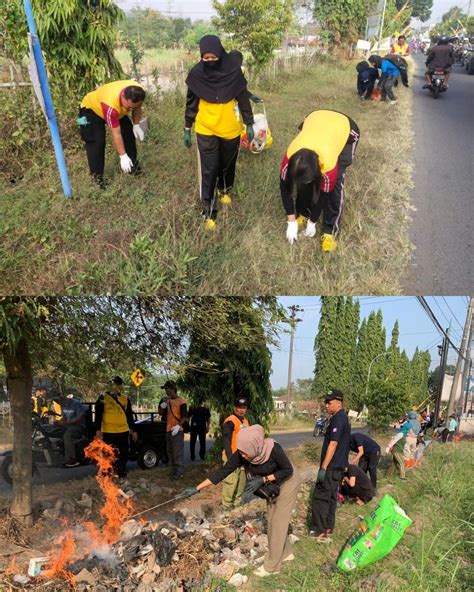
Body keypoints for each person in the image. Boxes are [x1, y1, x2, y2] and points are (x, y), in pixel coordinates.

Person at [182, 425, 301, 577]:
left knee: (278, 522)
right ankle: (286, 553)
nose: (243, 455)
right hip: (273, 486)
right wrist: (197, 488)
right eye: (241, 451)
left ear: (255, 446)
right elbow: (222, 472)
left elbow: (287, 470)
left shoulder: (273, 449)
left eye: (245, 452)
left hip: (287, 483)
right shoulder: (242, 453)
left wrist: (264, 479)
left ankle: (272, 567)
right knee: (272, 520)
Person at [183, 35, 255, 226]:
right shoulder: (197, 75)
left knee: (227, 164)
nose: (210, 62)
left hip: (230, 129)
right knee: (210, 168)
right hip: (206, 128)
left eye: (213, 58)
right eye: (205, 59)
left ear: (220, 54)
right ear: (201, 57)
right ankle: (208, 210)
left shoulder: (233, 71)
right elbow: (191, 104)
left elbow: (243, 99)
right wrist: (187, 127)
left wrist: (249, 123)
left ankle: (225, 190)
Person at [280, 110, 360, 252]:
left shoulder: (328, 164)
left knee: (335, 186)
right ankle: (303, 213)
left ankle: (329, 231)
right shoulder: (290, 157)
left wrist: (313, 221)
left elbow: (325, 195)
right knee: (304, 180)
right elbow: (285, 188)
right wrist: (291, 221)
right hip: (315, 117)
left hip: (345, 128)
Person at [79, 81, 146, 188]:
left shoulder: (138, 91)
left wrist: (136, 124)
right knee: (97, 141)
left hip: (116, 107)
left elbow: (137, 107)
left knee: (128, 133)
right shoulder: (110, 106)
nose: (130, 110)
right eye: (129, 107)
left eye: (133, 108)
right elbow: (116, 133)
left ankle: (132, 168)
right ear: (123, 96)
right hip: (91, 109)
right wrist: (122, 156)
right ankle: (97, 180)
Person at [310, 389, 351, 542]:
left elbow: (333, 444)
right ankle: (328, 526)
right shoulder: (342, 418)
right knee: (332, 496)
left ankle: (318, 530)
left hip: (331, 467)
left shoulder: (338, 419)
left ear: (339, 403)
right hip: (338, 467)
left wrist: (323, 468)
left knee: (320, 497)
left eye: (329, 402)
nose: (326, 405)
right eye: (325, 402)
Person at [95, 376, 138, 479]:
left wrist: (134, 430)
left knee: (123, 454)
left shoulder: (125, 398)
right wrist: (98, 430)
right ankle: (107, 475)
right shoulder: (103, 398)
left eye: (119, 384)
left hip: (123, 431)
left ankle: (121, 473)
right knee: (108, 454)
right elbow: (98, 416)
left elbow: (129, 416)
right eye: (115, 384)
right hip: (108, 432)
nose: (117, 386)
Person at [221, 397, 250, 510]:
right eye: (239, 407)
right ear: (235, 408)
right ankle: (226, 508)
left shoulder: (246, 421)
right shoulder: (230, 421)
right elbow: (226, 440)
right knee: (230, 483)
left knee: (241, 483)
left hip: (243, 457)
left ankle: (237, 506)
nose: (241, 410)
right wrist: (229, 457)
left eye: (243, 408)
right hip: (232, 456)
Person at [158, 380, 188, 478]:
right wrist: (162, 406)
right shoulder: (167, 400)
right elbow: (160, 413)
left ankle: (179, 473)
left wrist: (178, 426)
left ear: (172, 389)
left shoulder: (181, 401)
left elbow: (185, 417)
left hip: (177, 431)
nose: (165, 391)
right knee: (170, 452)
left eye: (166, 389)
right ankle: (173, 472)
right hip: (168, 430)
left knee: (177, 452)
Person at [58, 394, 87, 468]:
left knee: (67, 435)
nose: (60, 403)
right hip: (68, 425)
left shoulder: (76, 404)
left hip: (78, 426)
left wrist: (67, 423)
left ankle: (72, 459)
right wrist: (59, 422)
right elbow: (64, 418)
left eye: (61, 401)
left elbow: (80, 418)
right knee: (55, 432)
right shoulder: (62, 405)